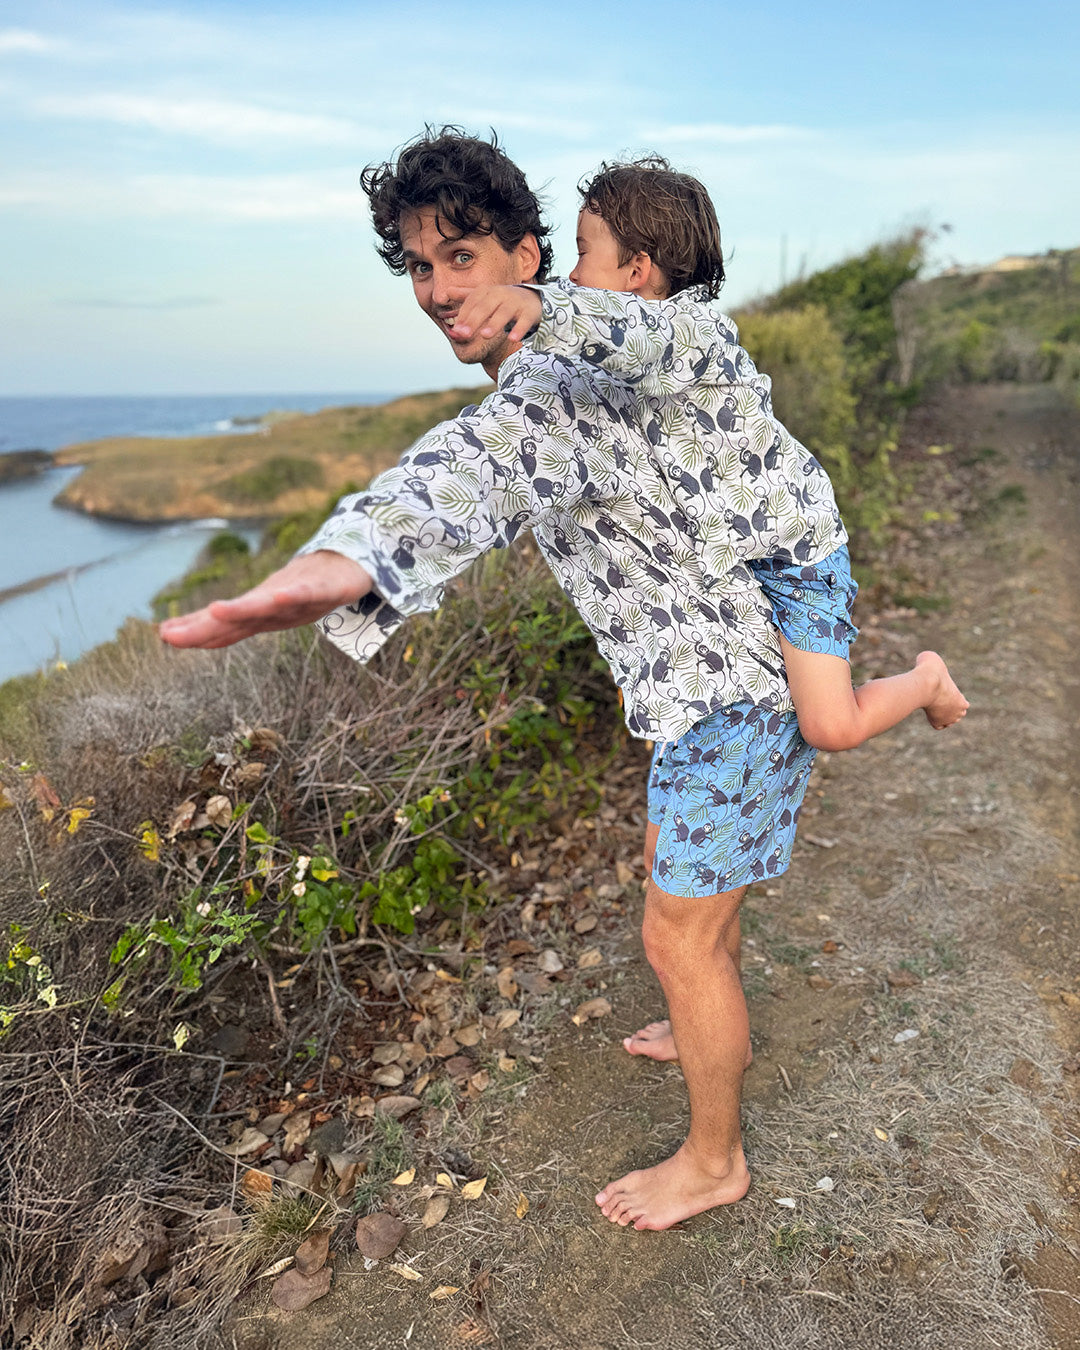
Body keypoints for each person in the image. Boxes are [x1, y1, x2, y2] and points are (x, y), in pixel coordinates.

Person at [159, 131, 964, 1232]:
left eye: (464, 259)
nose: (441, 291)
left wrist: (549, 311)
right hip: (697, 680)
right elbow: (465, 472)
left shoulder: (632, 345)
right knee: (676, 880)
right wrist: (341, 562)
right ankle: (701, 1015)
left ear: (532, 258)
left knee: (674, 934)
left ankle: (716, 1159)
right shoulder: (547, 381)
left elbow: (619, 350)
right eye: (419, 269)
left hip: (734, 684)